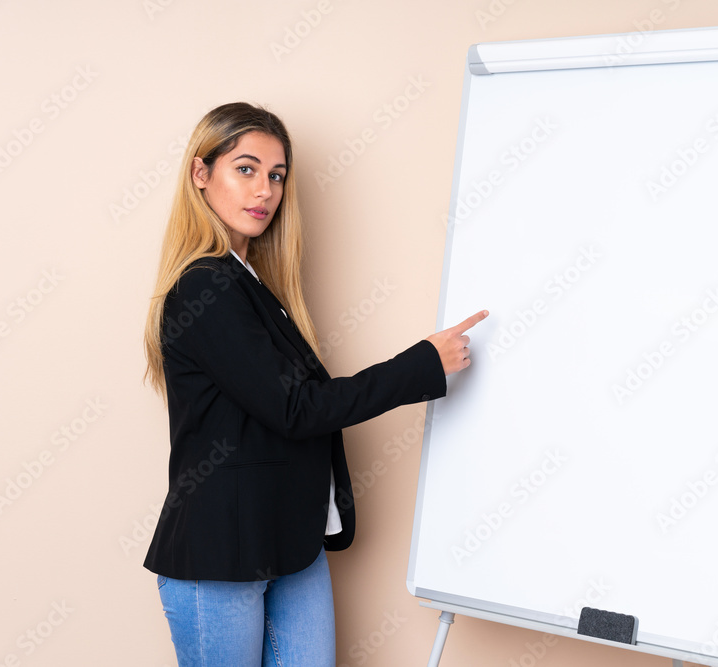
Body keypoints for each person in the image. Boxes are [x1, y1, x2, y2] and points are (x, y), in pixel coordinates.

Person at [141, 101, 487, 666]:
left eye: (276, 176)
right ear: (201, 175)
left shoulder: (253, 284)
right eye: (245, 169)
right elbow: (297, 409)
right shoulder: (205, 287)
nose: (265, 191)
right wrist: (421, 363)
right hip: (219, 554)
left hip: (290, 543)